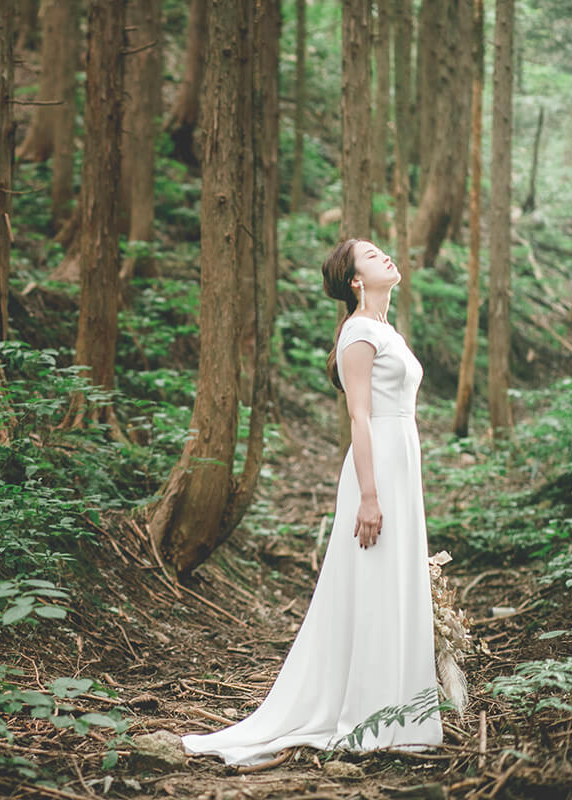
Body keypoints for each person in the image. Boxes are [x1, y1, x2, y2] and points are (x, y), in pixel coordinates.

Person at [180, 238, 444, 766]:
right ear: (354, 280)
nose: (385, 257)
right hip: (377, 469)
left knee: (395, 581)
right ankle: (366, 713)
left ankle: (399, 710)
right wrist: (369, 495)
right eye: (371, 256)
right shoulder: (359, 333)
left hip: (399, 462)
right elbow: (360, 418)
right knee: (373, 582)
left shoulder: (387, 329)